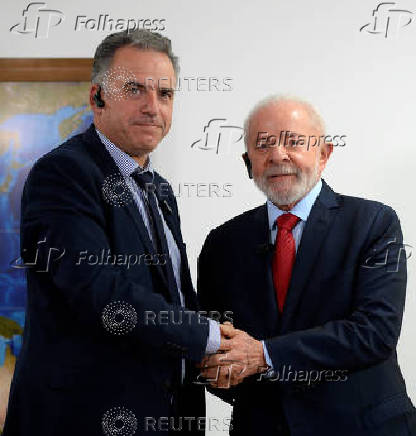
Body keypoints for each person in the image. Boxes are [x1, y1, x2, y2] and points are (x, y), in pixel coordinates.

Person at [3, 29, 233, 436]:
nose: (152, 107)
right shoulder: (62, 173)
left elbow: (175, 295)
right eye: (135, 90)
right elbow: (100, 292)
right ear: (97, 98)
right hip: (83, 418)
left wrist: (221, 349)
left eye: (165, 94)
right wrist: (210, 336)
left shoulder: (159, 189)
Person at [197, 96, 416, 435]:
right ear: (248, 162)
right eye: (263, 144)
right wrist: (222, 370)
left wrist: (264, 355)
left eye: (294, 141)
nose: (278, 155)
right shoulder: (222, 243)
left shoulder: (373, 223)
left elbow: (376, 332)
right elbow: (217, 346)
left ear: (324, 154)